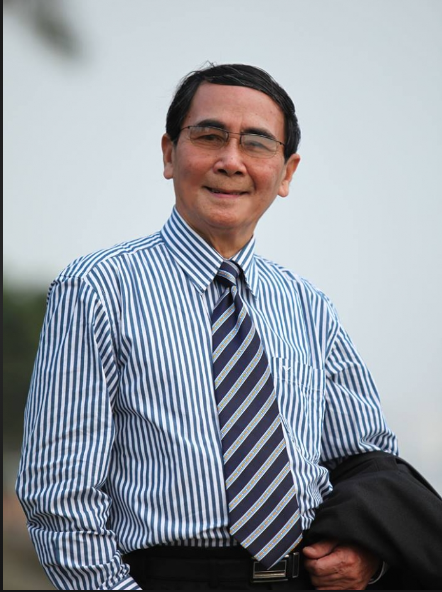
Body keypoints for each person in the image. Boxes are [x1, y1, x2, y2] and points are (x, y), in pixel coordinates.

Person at [16, 62, 408, 590]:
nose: (231, 161)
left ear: (287, 173)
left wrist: (368, 554)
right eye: (209, 136)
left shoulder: (309, 306)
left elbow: (365, 460)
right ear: (168, 154)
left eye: (256, 144)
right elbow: (59, 494)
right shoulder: (96, 289)